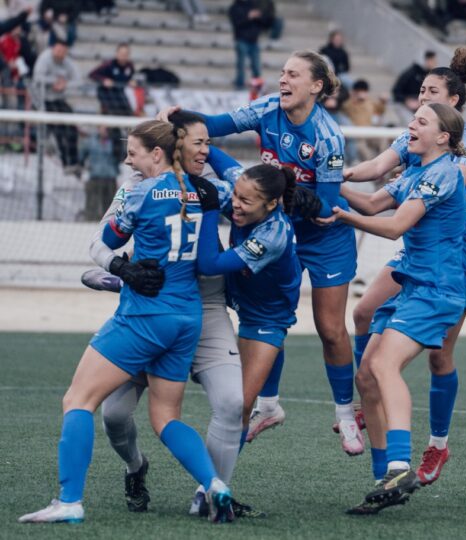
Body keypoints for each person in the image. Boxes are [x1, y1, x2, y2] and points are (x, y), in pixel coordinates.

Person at [18, 119, 235, 524]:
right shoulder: (208, 189)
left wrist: (121, 267)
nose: (127, 160)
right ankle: (215, 484)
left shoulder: (139, 193)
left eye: (133, 152)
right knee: (166, 417)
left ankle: (69, 501)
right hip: (188, 316)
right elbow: (243, 194)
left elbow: (104, 242)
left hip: (145, 314)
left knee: (78, 400)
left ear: (157, 153)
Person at [159, 50, 362, 456]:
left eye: (293, 74)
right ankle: (268, 405)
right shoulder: (268, 108)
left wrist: (285, 196)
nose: (283, 79)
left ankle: (345, 414)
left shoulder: (328, 137)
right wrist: (181, 117)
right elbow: (214, 126)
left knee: (330, 327)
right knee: (268, 313)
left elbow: (326, 205)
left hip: (323, 236)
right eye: (282, 72)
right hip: (276, 224)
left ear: (316, 86)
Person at [344, 45, 466, 488]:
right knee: (363, 312)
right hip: (416, 242)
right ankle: (369, 398)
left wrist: (409, 186)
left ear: (453, 102)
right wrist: (332, 175)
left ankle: (437, 444)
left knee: (438, 355)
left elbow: (449, 183)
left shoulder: (459, 146)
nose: (421, 98)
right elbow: (376, 170)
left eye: (431, 93)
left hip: (452, 248)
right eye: (421, 91)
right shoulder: (417, 137)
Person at [323, 103, 466, 514]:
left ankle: (401, 466)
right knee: (367, 376)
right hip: (412, 287)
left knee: (384, 365)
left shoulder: (443, 173)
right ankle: (385, 479)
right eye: (413, 118)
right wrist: (323, 183)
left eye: (422, 121)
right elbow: (372, 205)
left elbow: (394, 226)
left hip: (436, 291)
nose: (411, 124)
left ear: (443, 137)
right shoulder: (416, 172)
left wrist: (340, 216)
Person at [195, 159, 302, 497]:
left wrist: (210, 208)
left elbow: (209, 264)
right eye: (235, 197)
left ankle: (211, 487)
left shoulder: (272, 234)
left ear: (271, 204)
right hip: (235, 295)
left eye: (245, 201)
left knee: (239, 405)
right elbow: (222, 163)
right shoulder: (245, 188)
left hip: (265, 318)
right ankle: (269, 405)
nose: (236, 204)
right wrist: (195, 142)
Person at [31, 39, 80, 174]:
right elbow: (37, 78)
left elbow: (78, 80)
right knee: (59, 131)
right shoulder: (44, 59)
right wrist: (54, 82)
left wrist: (65, 84)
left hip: (59, 100)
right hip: (44, 100)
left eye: (63, 52)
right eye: (58, 50)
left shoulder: (67, 62)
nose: (60, 54)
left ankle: (74, 162)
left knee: (72, 129)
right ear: (53, 49)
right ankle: (65, 163)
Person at [79, 126, 120, 221]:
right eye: (103, 127)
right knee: (92, 206)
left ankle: (108, 225)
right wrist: (84, 171)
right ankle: (89, 223)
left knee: (109, 207)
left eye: (107, 127)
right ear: (98, 128)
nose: (105, 129)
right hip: (95, 177)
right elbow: (81, 157)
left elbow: (119, 157)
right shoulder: (90, 141)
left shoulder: (114, 141)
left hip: (110, 178)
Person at [228, 0, 265, 91]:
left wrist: (259, 17)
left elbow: (263, 22)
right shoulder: (234, 8)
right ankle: (239, 84)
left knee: (256, 65)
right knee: (241, 64)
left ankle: (257, 85)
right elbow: (236, 23)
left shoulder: (254, 5)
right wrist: (248, 16)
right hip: (241, 39)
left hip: (254, 40)